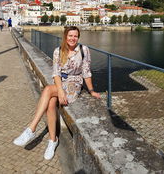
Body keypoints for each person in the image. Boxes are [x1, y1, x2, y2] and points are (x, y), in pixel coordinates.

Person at [13, 26, 101, 160]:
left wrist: (92, 90)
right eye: (70, 35)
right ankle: (52, 140)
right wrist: (60, 91)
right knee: (51, 102)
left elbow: (86, 72)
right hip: (61, 83)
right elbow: (56, 74)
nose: (73, 38)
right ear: (65, 36)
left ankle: (32, 129)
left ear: (78, 37)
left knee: (48, 89)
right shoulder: (58, 51)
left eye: (75, 36)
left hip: (74, 84)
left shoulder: (84, 50)